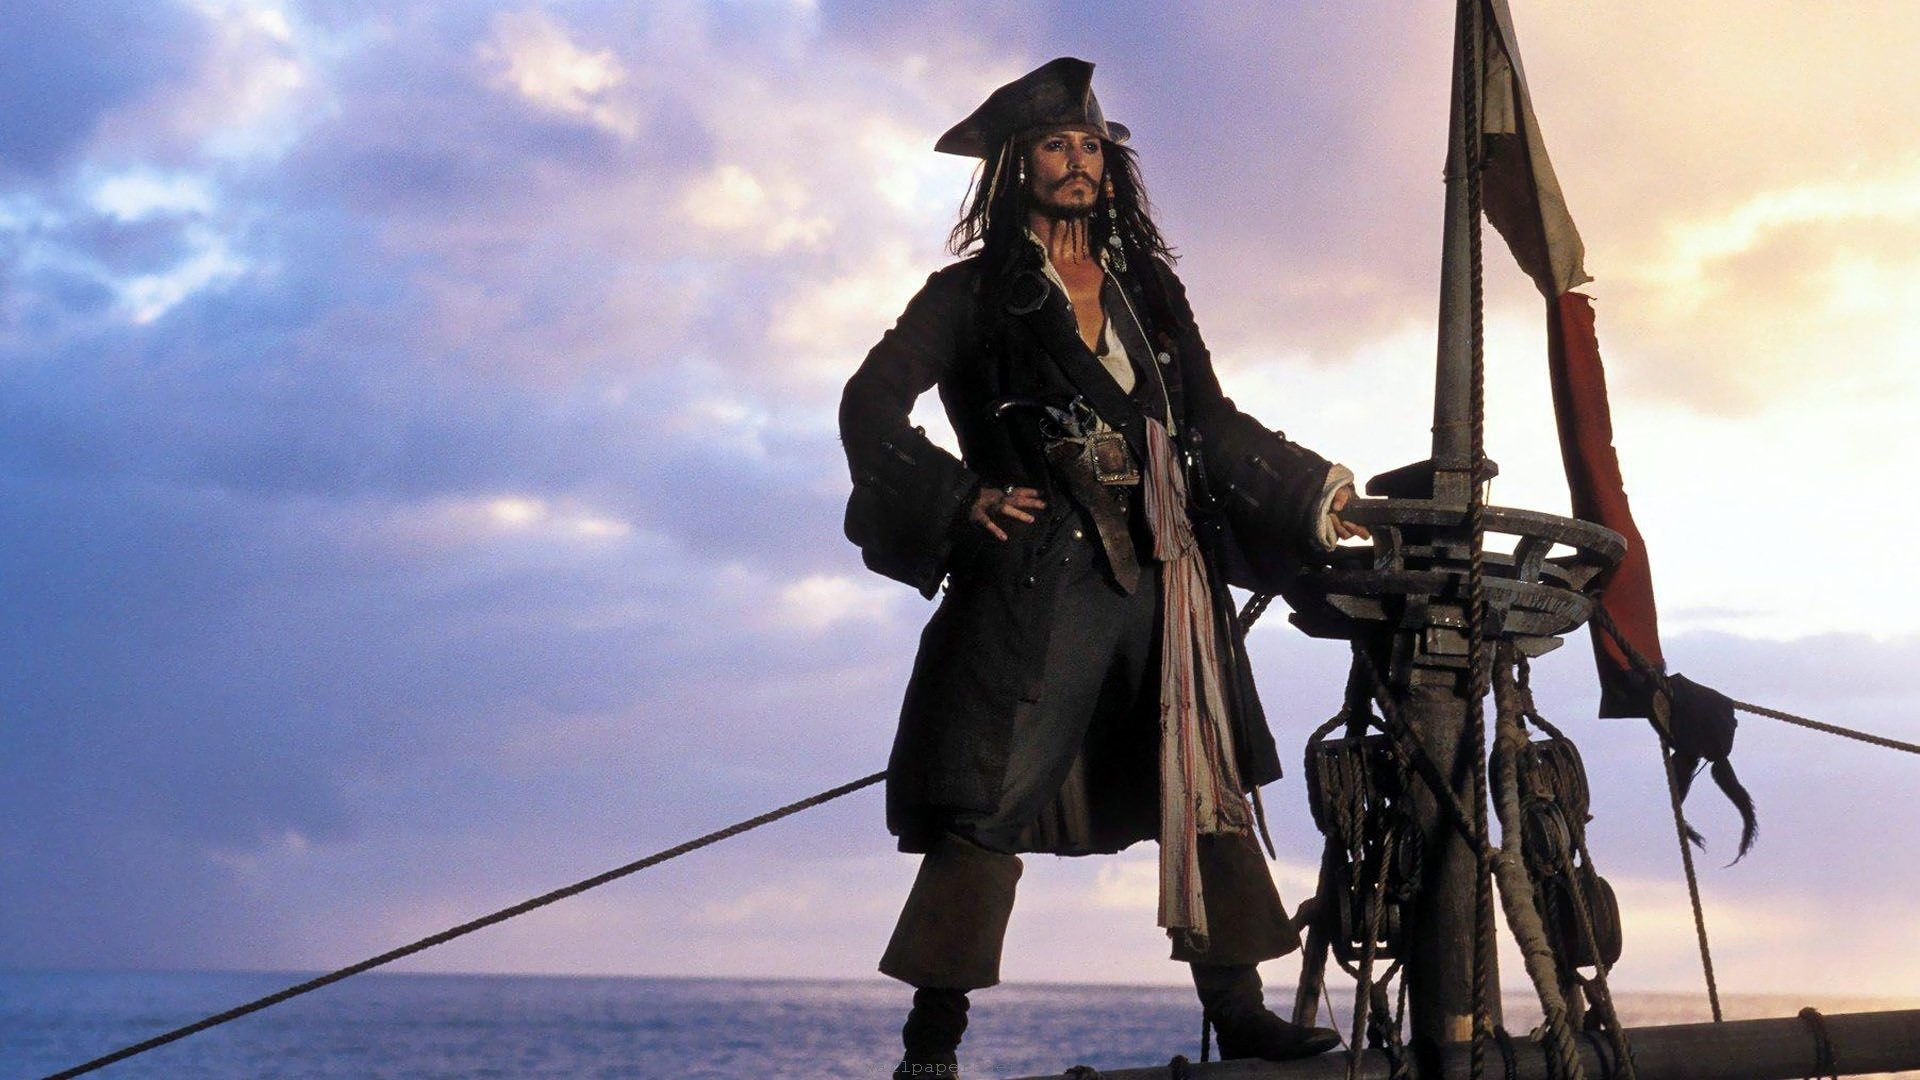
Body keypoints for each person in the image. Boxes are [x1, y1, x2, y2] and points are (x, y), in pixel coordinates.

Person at [839, 58, 1362, 1077]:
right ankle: (932, 1044)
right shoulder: (968, 299)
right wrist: (960, 501)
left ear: (1108, 167)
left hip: (1168, 568)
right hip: (1040, 577)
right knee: (984, 802)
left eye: (1089, 146)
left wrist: (1314, 492)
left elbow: (1207, 423)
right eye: (1053, 147)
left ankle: (1242, 1013)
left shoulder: (1149, 294)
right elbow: (870, 404)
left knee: (1202, 784)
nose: (1076, 164)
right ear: (1014, 169)